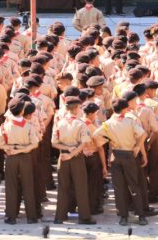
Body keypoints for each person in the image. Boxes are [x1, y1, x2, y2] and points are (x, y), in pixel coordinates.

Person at [95, 98, 148, 226]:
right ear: (125, 109)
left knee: (119, 188)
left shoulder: (108, 123)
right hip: (129, 154)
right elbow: (143, 134)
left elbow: (96, 135)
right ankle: (141, 216)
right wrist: (137, 147)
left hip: (116, 155)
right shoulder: (130, 121)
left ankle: (123, 216)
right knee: (134, 185)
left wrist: (109, 140)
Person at [51, 96, 95, 225]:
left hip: (63, 157)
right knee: (80, 186)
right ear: (76, 109)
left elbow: (54, 143)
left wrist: (67, 149)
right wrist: (73, 153)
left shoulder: (59, 123)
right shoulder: (80, 123)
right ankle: (84, 217)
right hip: (76, 158)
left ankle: (60, 216)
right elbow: (83, 143)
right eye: (80, 107)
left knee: (63, 187)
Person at [0, 98, 40, 225]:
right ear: (22, 111)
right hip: (26, 157)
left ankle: (11, 216)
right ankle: (31, 217)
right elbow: (35, 143)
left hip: (11, 158)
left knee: (11, 186)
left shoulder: (5, 126)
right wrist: (23, 149)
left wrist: (11, 149)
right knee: (28, 186)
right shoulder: (28, 125)